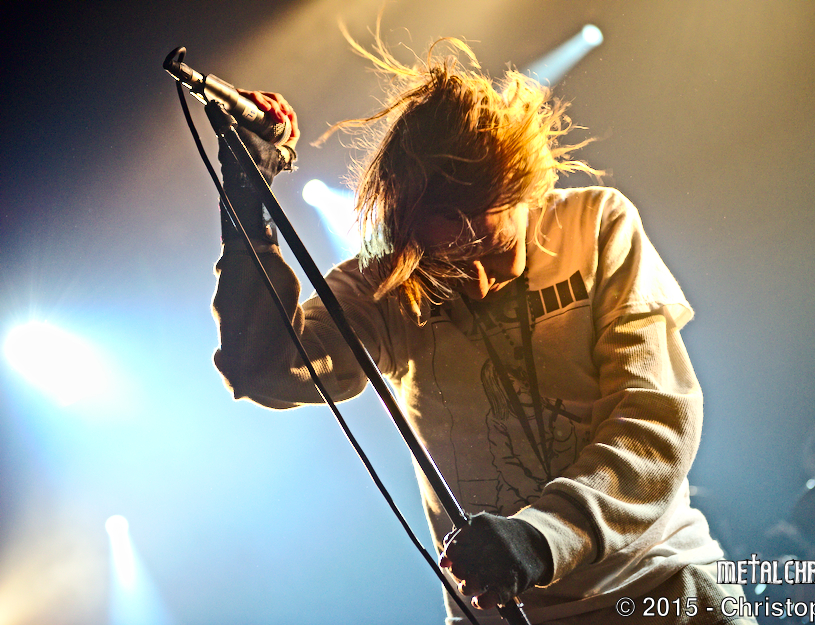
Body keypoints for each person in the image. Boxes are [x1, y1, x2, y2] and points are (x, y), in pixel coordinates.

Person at [210, 35, 755, 625]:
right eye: (446, 260)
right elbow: (264, 369)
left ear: (523, 187)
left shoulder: (596, 223)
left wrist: (541, 537)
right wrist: (247, 210)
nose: (473, 281)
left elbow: (655, 420)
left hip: (659, 593)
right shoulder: (391, 278)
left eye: (492, 250)